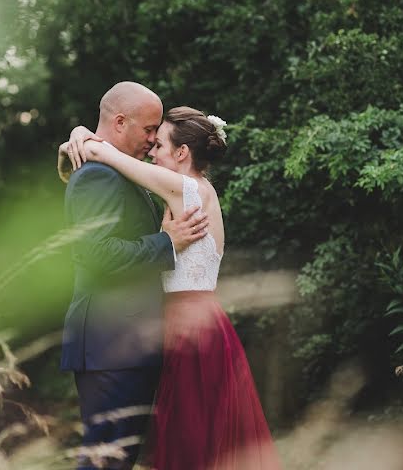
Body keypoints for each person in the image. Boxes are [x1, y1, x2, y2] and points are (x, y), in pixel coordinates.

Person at [60, 105, 281, 470]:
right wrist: (77, 136)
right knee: (198, 444)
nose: (151, 150)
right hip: (192, 327)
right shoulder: (192, 190)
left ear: (182, 153)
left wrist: (83, 137)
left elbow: (106, 154)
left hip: (191, 331)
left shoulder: (186, 189)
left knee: (194, 445)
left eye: (159, 143)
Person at [58, 82, 210, 470]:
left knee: (116, 458)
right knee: (105, 456)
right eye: (148, 130)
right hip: (111, 342)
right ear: (120, 122)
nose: (153, 138)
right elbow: (95, 254)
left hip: (125, 342)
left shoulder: (121, 172)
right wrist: (166, 244)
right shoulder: (99, 176)